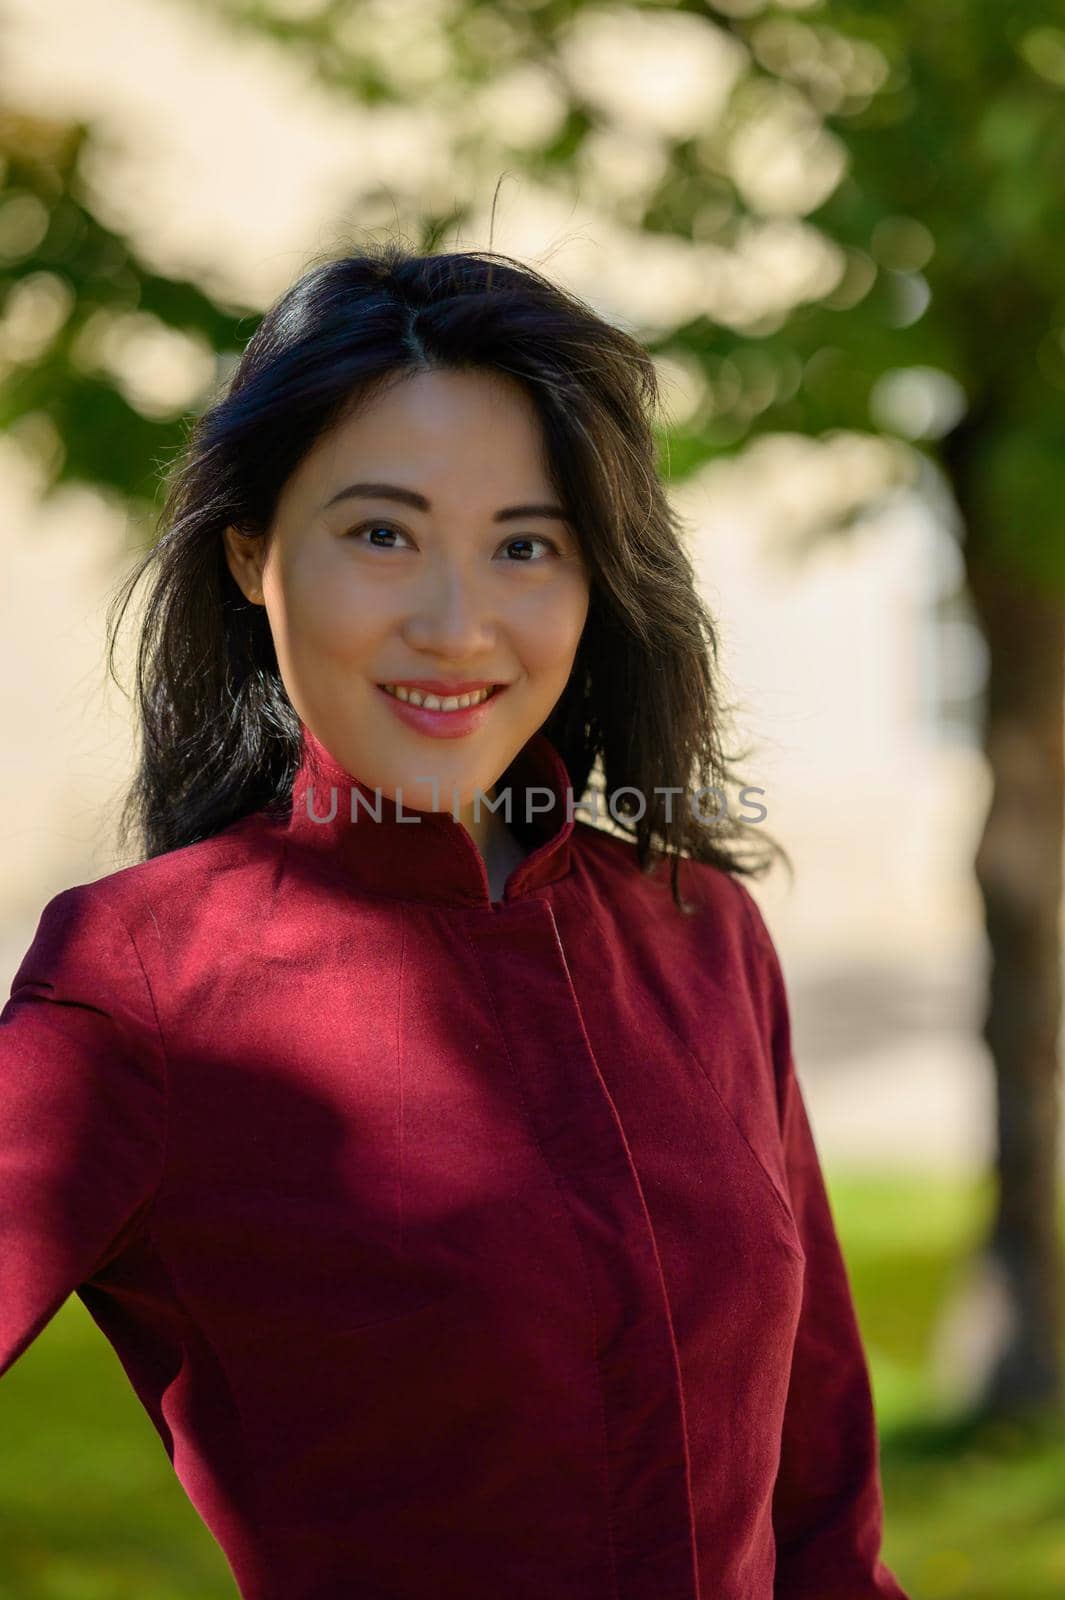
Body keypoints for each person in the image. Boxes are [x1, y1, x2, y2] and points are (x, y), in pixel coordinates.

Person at [0, 242, 910, 1600]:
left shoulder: (697, 932)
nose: (456, 622)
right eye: (381, 533)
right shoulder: (145, 981)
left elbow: (823, 1525)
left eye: (524, 547)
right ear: (251, 555)